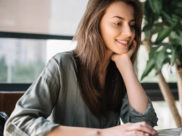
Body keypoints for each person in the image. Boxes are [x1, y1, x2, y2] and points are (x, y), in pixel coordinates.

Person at [4, 0, 158, 136]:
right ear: (95, 23)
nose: (129, 33)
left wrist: (127, 68)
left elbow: (146, 125)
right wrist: (100, 133)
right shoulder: (62, 64)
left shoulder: (119, 71)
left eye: (132, 25)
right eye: (118, 23)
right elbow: (17, 124)